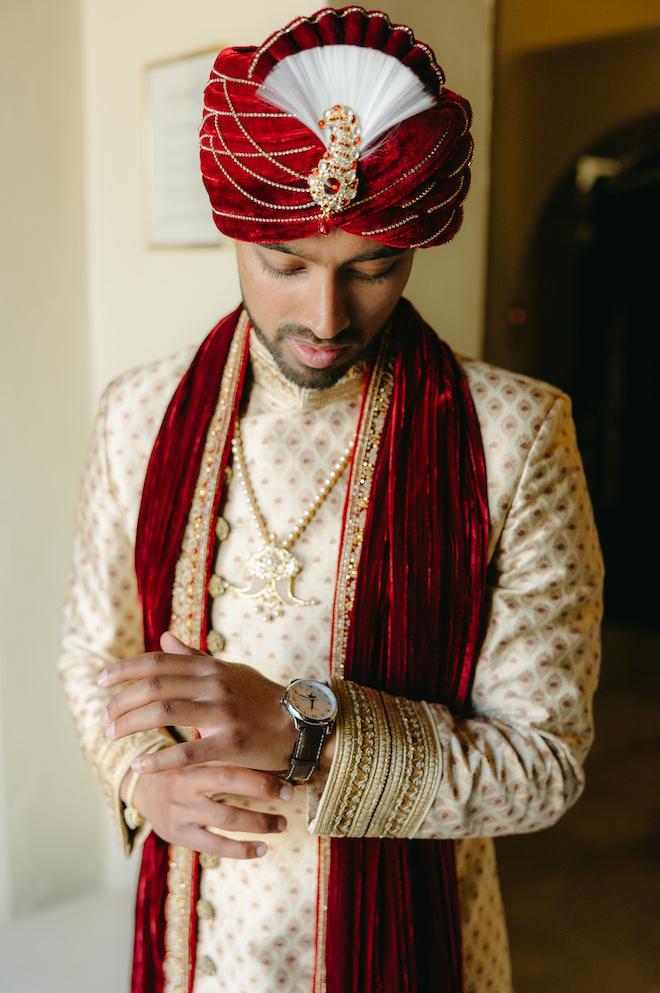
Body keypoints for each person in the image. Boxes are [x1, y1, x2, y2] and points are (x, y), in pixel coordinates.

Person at [59, 7, 604, 993]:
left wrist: (312, 730)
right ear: (237, 234)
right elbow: (94, 654)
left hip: (411, 940)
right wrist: (142, 776)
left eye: (372, 268)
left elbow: (544, 763)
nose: (324, 318)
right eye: (286, 266)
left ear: (414, 249)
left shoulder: (516, 436)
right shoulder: (138, 414)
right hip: (197, 940)